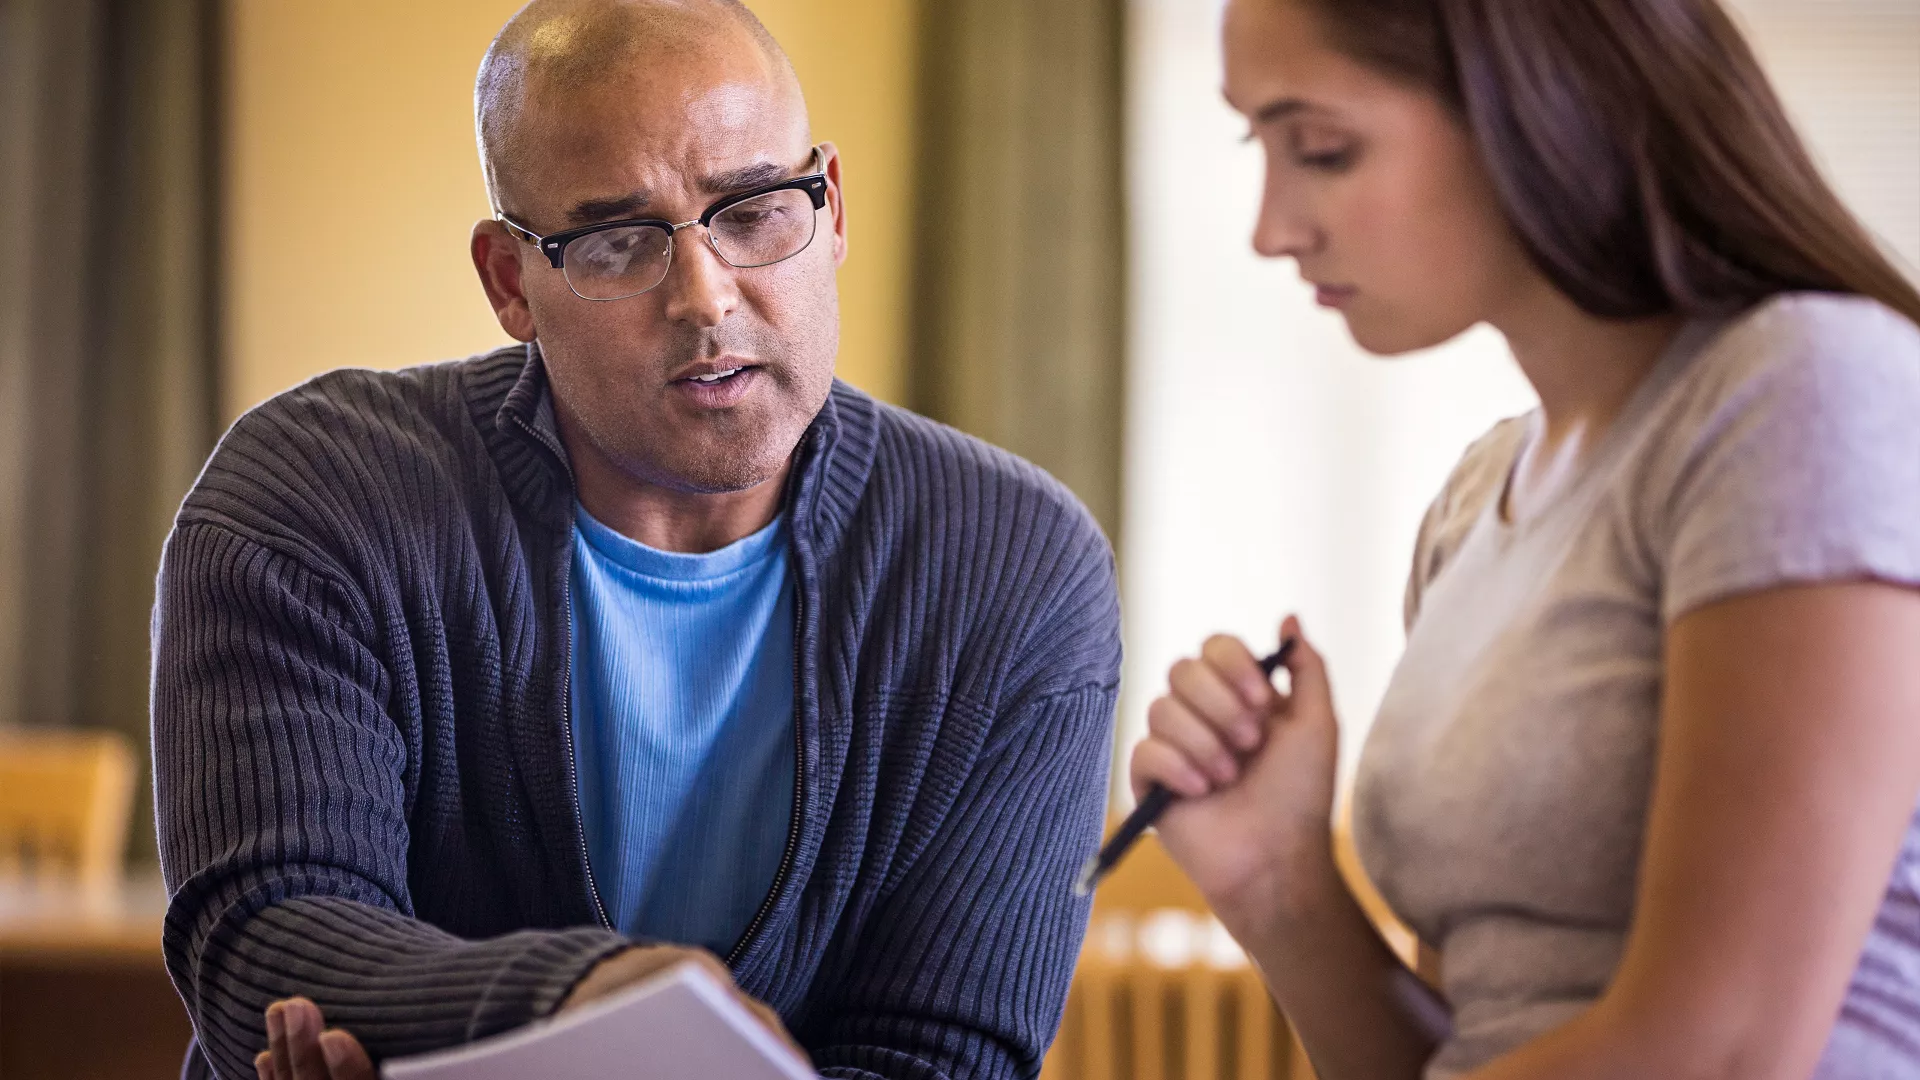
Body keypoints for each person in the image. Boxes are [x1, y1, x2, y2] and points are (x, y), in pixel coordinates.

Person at [151, 1, 1121, 1078]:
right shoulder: (315, 500)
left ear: (832, 207)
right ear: (512, 283)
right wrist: (588, 1000)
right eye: (619, 241)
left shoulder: (1014, 568)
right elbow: (268, 946)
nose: (705, 299)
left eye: (751, 211)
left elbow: (943, 1059)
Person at [1129, 1, 1920, 1079]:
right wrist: (1281, 887)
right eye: (1258, 145)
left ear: (1538, 105)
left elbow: (1721, 1053)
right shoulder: (1476, 503)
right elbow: (1471, 1049)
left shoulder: (1802, 389)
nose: (1272, 229)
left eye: (1322, 148)